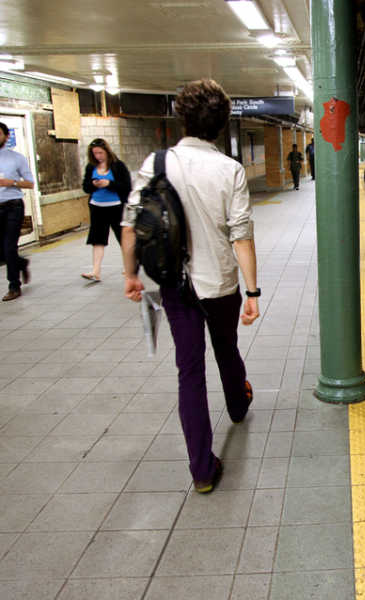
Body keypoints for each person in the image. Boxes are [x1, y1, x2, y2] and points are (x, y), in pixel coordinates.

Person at [121, 79, 260, 493]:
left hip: (175, 285)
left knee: (190, 373)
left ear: (181, 118)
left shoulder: (156, 163)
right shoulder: (229, 169)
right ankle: (238, 403)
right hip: (218, 283)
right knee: (227, 348)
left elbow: (131, 225)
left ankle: (202, 469)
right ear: (221, 124)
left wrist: (130, 275)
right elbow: (241, 235)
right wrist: (252, 292)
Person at [81, 138, 131, 282]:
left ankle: (129, 267)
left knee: (123, 238)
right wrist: (94, 184)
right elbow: (85, 186)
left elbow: (126, 186)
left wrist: (109, 183)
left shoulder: (117, 166)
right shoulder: (91, 167)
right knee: (97, 240)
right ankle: (96, 271)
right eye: (95, 153)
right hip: (97, 207)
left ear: (107, 151)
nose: (98, 156)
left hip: (116, 207)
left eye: (100, 153)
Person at [0, 121, 34, 301]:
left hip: (13, 206)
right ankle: (21, 263)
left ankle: (14, 286)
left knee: (9, 246)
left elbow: (30, 183)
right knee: (3, 250)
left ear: (6, 137)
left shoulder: (16, 158)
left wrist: (11, 182)